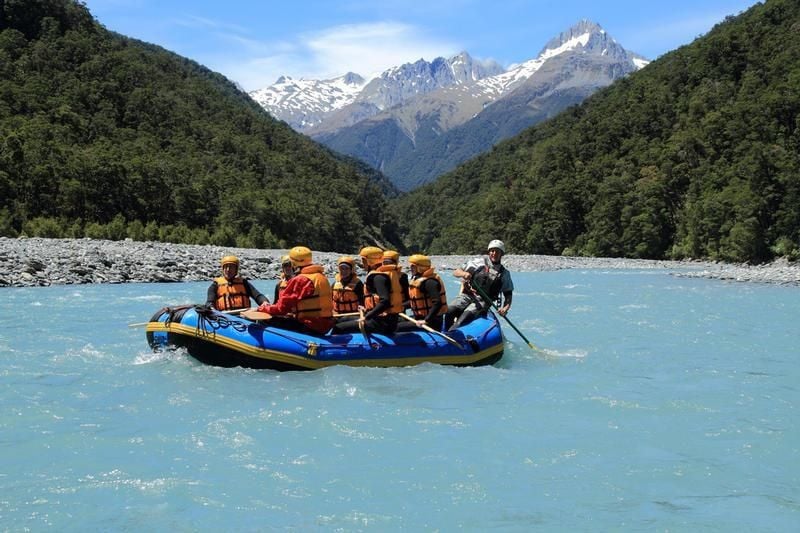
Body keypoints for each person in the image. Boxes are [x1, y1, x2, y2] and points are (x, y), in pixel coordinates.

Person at [256, 246, 334, 334]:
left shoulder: (300, 280)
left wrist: (263, 309)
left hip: (309, 325)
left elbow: (281, 309)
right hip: (325, 326)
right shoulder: (321, 276)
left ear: (294, 264)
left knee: (263, 320)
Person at [332, 246, 403, 335]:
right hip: (379, 319)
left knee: (338, 328)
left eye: (363, 260)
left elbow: (385, 301)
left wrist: (368, 316)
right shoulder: (379, 274)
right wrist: (366, 309)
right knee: (342, 320)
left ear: (368, 261)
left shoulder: (378, 277)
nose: (362, 263)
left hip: (381, 323)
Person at [446, 239, 513, 330]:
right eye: (492, 251)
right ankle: (445, 332)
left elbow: (508, 294)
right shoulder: (478, 263)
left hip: (483, 301)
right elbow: (456, 272)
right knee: (449, 310)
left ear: (501, 254)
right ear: (489, 252)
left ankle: (453, 332)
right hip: (468, 295)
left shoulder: (504, 274)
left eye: (497, 251)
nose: (494, 253)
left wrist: (505, 308)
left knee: (462, 319)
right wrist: (464, 274)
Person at [400, 254, 448, 331]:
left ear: (420, 268)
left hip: (431, 321)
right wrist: (400, 306)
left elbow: (437, 303)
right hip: (420, 318)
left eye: (413, 266)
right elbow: (416, 302)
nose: (410, 268)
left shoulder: (430, 282)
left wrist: (426, 320)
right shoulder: (419, 281)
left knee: (396, 327)